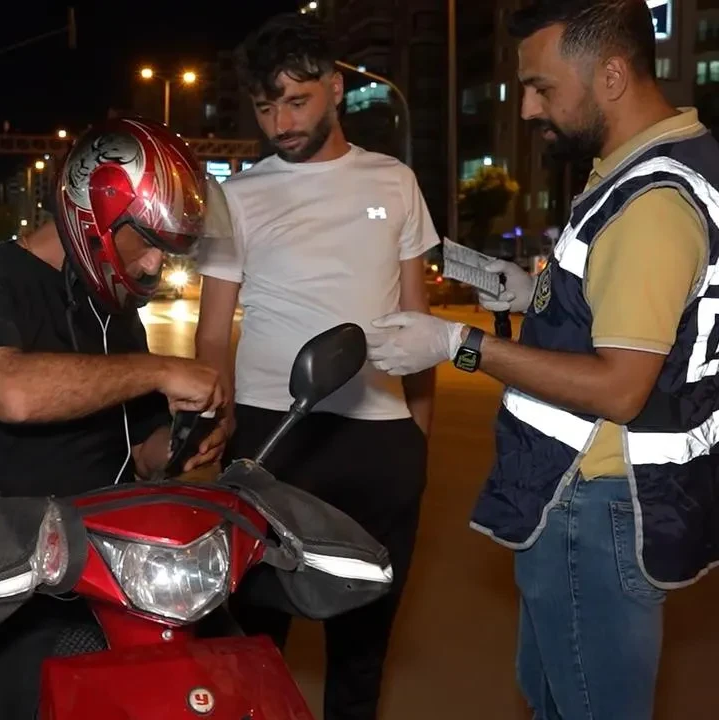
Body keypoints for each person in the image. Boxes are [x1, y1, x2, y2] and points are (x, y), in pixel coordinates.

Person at [366, 2, 719, 717]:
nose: (526, 108)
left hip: (597, 506)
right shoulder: (659, 163)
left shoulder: (650, 203)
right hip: (595, 499)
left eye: (543, 87)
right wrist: (537, 292)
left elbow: (620, 388)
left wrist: (459, 345)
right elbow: (639, 312)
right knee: (554, 697)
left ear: (612, 75)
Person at [0, 117, 226, 720]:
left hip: (102, 575)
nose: (153, 269)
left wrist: (187, 445)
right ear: (95, 213)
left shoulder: (115, 314)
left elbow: (137, 454)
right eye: (149, 244)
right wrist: (161, 371)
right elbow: (13, 391)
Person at [193, 13, 438, 720]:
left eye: (295, 100)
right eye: (266, 106)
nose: (280, 121)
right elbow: (214, 332)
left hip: (380, 442)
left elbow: (416, 325)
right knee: (255, 642)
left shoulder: (394, 182)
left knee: (363, 651)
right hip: (275, 439)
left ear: (334, 88)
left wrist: (416, 438)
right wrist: (222, 422)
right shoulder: (236, 195)